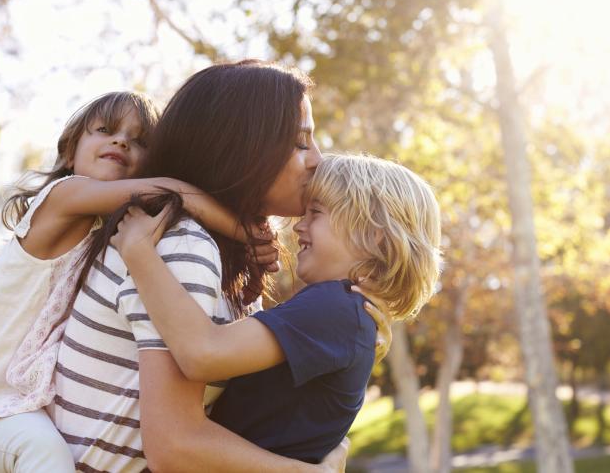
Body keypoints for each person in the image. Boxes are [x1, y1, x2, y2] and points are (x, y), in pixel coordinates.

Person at [50, 61, 388, 472]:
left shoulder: (221, 254)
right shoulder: (180, 245)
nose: (318, 159)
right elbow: (175, 446)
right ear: (243, 147)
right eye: (301, 143)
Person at [0, 91, 267, 473]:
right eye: (105, 130)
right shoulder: (61, 197)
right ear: (68, 152)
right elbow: (170, 192)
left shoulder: (112, 233)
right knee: (47, 455)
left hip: (35, 404)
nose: (121, 141)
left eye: (140, 140)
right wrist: (246, 235)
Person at [113, 153, 442, 463]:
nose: (299, 226)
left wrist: (139, 252)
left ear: (375, 238)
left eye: (316, 212)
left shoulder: (335, 307)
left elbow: (203, 352)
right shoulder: (347, 314)